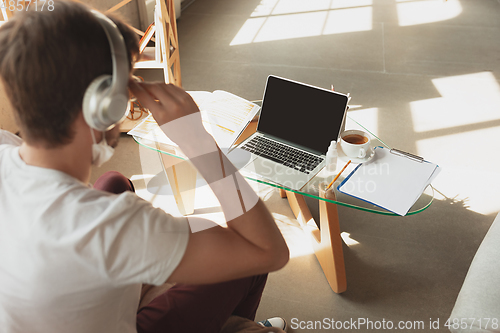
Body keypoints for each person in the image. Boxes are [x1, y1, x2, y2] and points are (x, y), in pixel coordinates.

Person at [0, 2, 289, 333]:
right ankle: (237, 327)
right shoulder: (113, 225)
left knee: (113, 183)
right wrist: (196, 138)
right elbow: (270, 252)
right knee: (247, 263)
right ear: (103, 107)